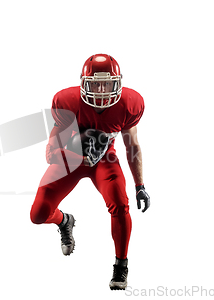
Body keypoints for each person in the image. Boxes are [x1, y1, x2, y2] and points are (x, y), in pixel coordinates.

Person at [30, 54, 150, 290]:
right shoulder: (68, 102)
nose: (102, 89)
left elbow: (132, 146)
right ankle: (65, 221)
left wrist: (140, 185)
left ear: (118, 83)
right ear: (84, 83)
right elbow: (52, 153)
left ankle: (121, 265)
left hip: (106, 158)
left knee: (120, 204)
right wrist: (82, 159)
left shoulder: (128, 104)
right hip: (72, 158)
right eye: (95, 83)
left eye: (107, 83)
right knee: (38, 214)